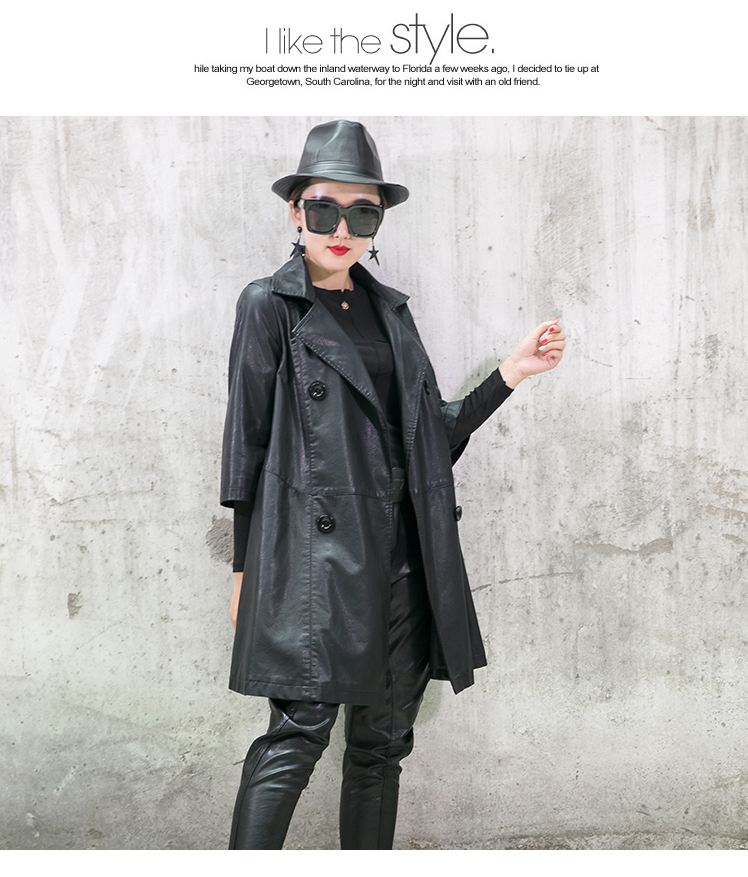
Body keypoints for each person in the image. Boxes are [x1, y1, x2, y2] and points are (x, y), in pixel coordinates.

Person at [220, 119, 566, 850]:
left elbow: (428, 436)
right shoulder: (268, 305)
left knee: (381, 745)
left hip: (404, 558)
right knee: (296, 735)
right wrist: (246, 569)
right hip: (315, 565)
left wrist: (511, 373)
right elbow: (245, 446)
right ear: (295, 213)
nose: (342, 229)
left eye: (363, 213)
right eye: (324, 210)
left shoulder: (391, 313)